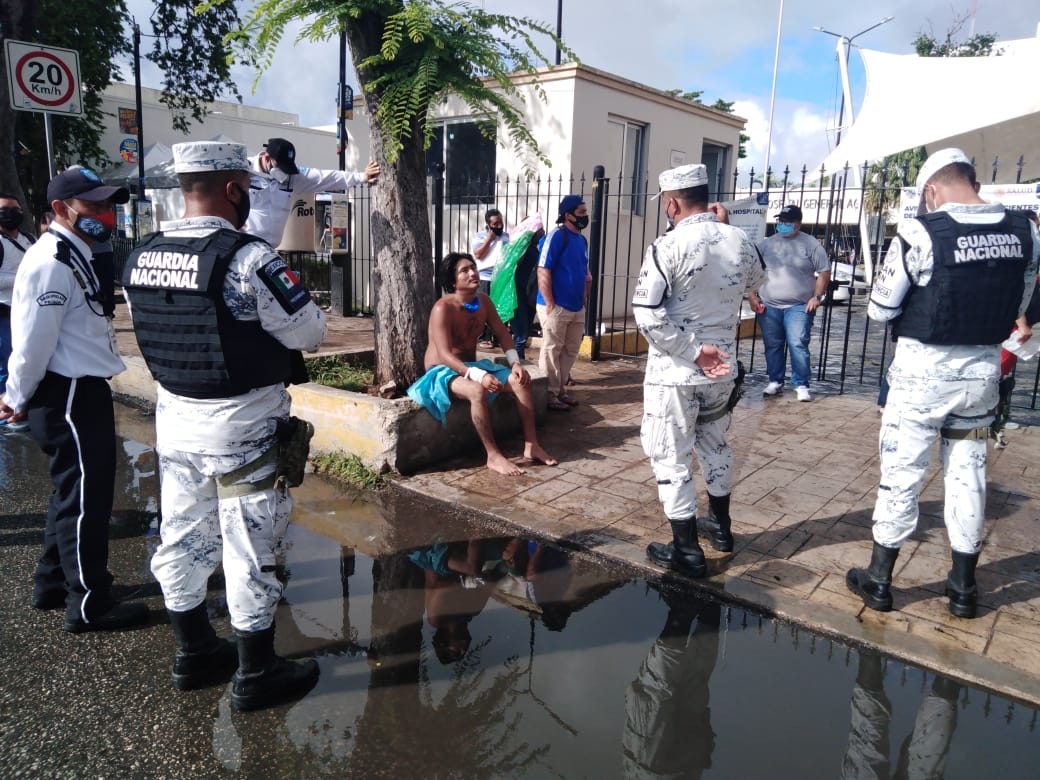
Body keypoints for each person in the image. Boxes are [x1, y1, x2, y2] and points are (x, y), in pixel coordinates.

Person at [121, 140, 328, 709]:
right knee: (249, 543)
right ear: (234, 189)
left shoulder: (143, 254)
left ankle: (194, 652)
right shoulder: (248, 259)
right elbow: (308, 333)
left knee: (183, 534)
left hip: (175, 422)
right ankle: (256, 672)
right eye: (249, 187)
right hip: (242, 429)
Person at [846, 148, 1039, 619]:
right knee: (969, 475)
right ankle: (962, 588)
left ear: (930, 189)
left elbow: (880, 309)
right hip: (981, 374)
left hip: (922, 377)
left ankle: (880, 579)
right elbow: (1025, 298)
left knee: (902, 474)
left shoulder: (920, 232)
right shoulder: (1025, 232)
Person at [0, 167, 148, 632]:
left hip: (78, 388)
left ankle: (52, 583)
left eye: (108, 206)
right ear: (61, 210)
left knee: (73, 493)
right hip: (66, 392)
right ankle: (89, 603)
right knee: (87, 500)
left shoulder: (74, 250)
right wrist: (15, 396)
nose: (105, 215)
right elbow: (32, 343)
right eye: (95, 207)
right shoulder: (50, 261)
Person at [632, 164, 765, 577]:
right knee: (714, 445)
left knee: (670, 456)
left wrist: (692, 349)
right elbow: (757, 281)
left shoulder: (667, 246)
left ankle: (687, 552)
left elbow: (647, 315)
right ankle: (721, 528)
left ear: (671, 203)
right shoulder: (740, 240)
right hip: (722, 372)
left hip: (677, 373)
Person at [407, 251, 557, 476]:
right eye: (464, 270)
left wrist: (515, 363)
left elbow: (504, 335)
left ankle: (531, 444)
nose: (472, 273)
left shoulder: (483, 302)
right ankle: (493, 456)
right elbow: (446, 354)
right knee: (477, 391)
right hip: (442, 371)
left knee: (520, 380)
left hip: (470, 366)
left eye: (473, 267)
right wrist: (479, 376)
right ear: (452, 281)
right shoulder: (442, 308)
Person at [749, 204, 831, 402]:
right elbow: (752, 270)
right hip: (769, 305)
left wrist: (817, 297)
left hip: (799, 306)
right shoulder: (766, 244)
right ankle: (775, 381)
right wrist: (752, 295)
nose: (783, 225)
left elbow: (824, 271)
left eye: (788, 222)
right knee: (772, 345)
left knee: (797, 343)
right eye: (781, 221)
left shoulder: (810, 244)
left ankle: (801, 384)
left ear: (798, 224)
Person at [244, 136, 380, 246]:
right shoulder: (243, 171)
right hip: (244, 246)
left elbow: (326, 178)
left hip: (269, 250)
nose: (285, 173)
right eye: (281, 167)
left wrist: (361, 176)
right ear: (267, 159)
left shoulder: (293, 177)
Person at [537, 194, 592, 411]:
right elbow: (543, 269)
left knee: (570, 350)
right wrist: (550, 303)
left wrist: (583, 299)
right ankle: (549, 394)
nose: (585, 216)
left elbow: (584, 270)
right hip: (556, 305)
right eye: (581, 213)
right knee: (552, 349)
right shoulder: (558, 236)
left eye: (585, 212)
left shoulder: (581, 240)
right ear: (567, 215)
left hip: (576, 306)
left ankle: (560, 390)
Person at [0, 193, 35, 426]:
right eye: (5, 210)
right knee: (6, 362)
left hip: (29, 310)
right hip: (3, 311)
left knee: (26, 359)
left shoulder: (30, 239)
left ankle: (23, 405)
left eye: (16, 209)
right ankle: (6, 410)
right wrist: (25, 278)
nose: (12, 213)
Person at [471, 208, 510, 348]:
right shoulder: (480, 237)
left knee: (499, 308)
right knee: (483, 308)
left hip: (500, 277)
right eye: (495, 223)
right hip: (485, 277)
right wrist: (489, 239)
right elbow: (478, 254)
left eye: (501, 222)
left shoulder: (506, 237)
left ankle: (497, 336)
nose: (499, 226)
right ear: (488, 224)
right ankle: (483, 338)